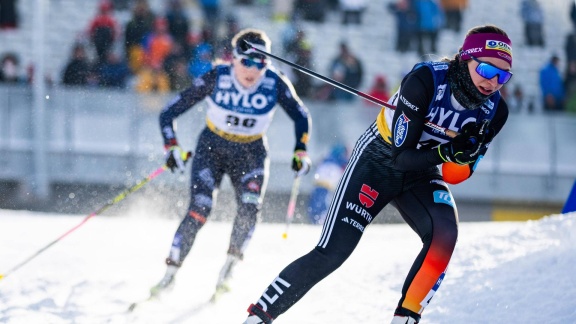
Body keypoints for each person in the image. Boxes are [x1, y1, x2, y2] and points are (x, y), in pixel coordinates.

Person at [244, 24, 511, 324]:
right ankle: (258, 317)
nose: (493, 83)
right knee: (333, 253)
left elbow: (452, 175)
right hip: (378, 160)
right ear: (466, 58)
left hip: (422, 172)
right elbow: (400, 157)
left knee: (445, 234)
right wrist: (448, 151)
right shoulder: (426, 80)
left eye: (503, 76)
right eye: (487, 70)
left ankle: (406, 319)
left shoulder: (495, 112)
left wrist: (465, 155)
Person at [149, 29, 312, 299]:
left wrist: (301, 151)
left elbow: (301, 115)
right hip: (212, 148)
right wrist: (172, 147)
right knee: (200, 208)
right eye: (246, 61)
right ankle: (170, 274)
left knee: (249, 208)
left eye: (260, 63)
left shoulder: (274, 82)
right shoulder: (218, 77)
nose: (252, 70)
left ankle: (228, 269)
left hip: (251, 152)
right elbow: (169, 112)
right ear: (233, 59)